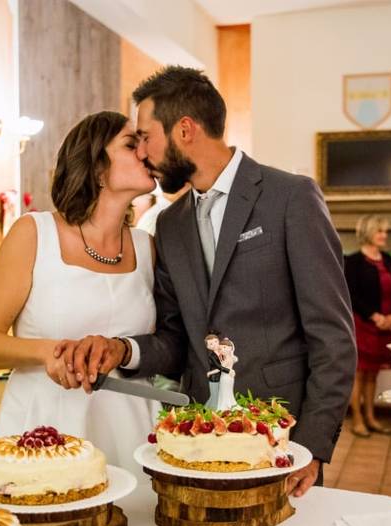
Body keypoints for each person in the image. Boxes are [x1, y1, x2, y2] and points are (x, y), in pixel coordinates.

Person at [56, 66, 356, 497]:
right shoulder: (171, 224)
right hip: (197, 440)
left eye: (145, 135)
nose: (142, 151)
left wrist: (310, 447)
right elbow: (177, 337)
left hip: (283, 442)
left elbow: (333, 335)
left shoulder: (290, 198)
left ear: (184, 129)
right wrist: (123, 349)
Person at [0, 111, 159, 475]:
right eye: (131, 145)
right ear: (97, 167)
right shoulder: (33, 233)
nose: (146, 152)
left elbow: (163, 343)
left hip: (130, 427)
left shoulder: (147, 246)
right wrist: (51, 353)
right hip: (46, 426)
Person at [343, 215, 391, 438]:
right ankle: (357, 419)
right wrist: (374, 316)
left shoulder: (388, 259)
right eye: (379, 231)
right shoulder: (353, 261)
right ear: (368, 233)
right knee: (359, 373)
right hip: (362, 323)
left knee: (373, 374)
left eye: (385, 231)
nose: (384, 235)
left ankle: (371, 416)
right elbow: (350, 294)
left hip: (386, 323)